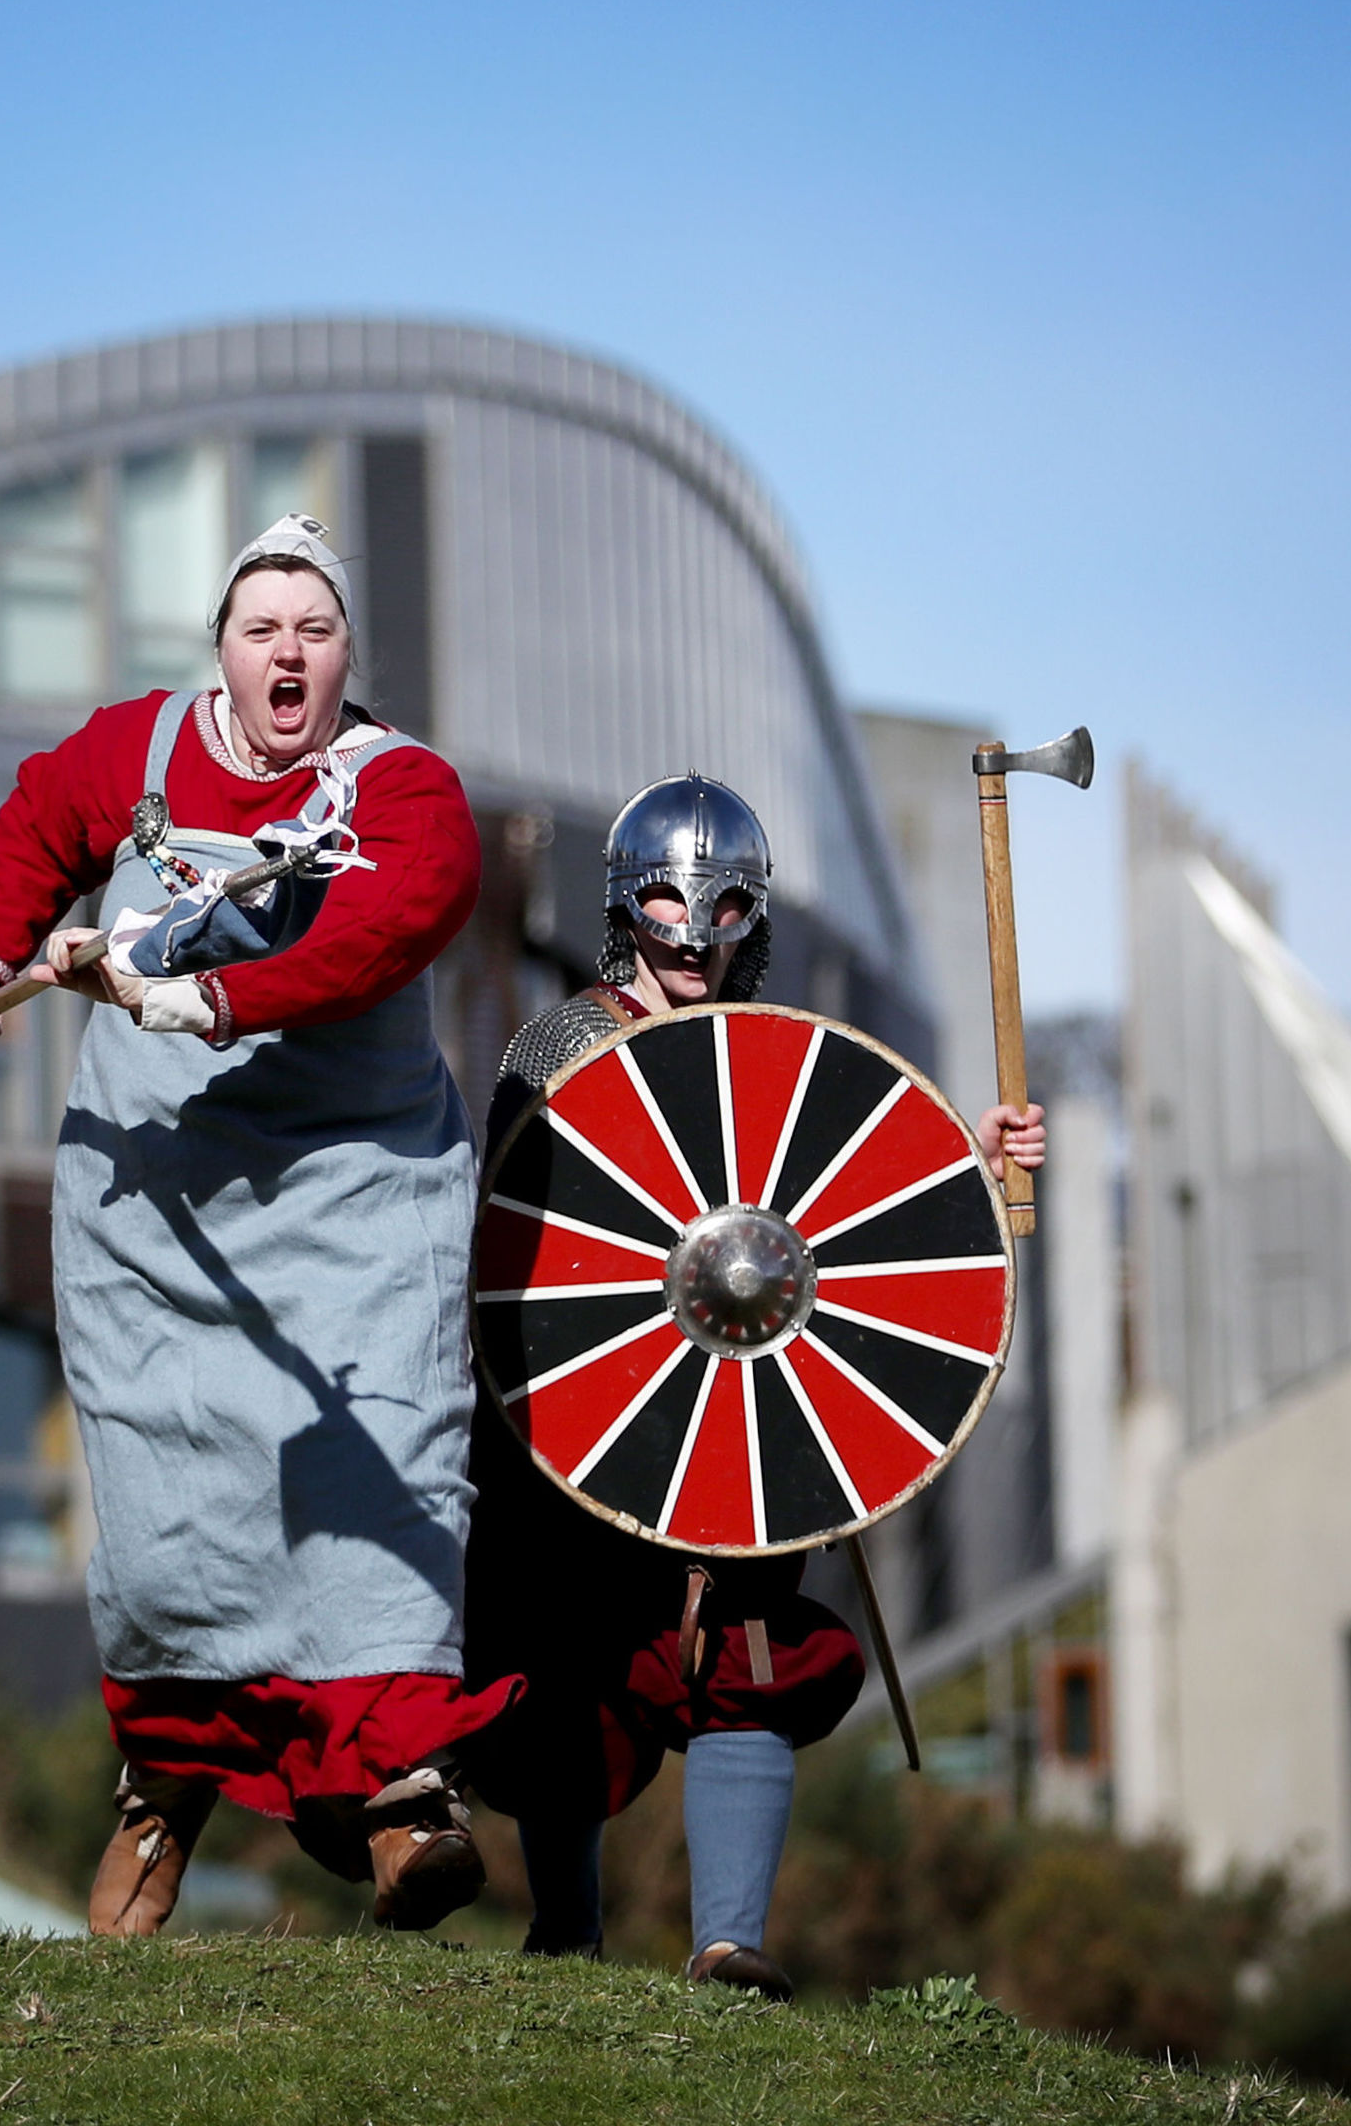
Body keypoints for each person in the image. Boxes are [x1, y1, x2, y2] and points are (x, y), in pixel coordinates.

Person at [0, 515, 512, 1935]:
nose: (289, 652)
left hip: (356, 1195)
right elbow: (34, 829)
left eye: (314, 629)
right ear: (224, 654)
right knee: (170, 1521)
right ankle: (160, 1802)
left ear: (346, 655)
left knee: (388, 1479)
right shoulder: (128, 753)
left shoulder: (405, 791)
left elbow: (385, 926)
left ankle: (401, 1799)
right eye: (263, 630)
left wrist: (212, 995)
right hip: (161, 1207)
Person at [463, 774, 1047, 1998]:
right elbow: (526, 1234)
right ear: (627, 907)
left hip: (741, 1407)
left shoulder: (770, 1054)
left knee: (744, 1657)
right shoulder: (560, 1043)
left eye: (720, 902)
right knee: (564, 1667)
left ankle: (727, 1940)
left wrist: (967, 1162)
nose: (690, 928)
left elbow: (863, 1209)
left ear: (750, 914)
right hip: (592, 1416)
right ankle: (566, 1927)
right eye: (667, 900)